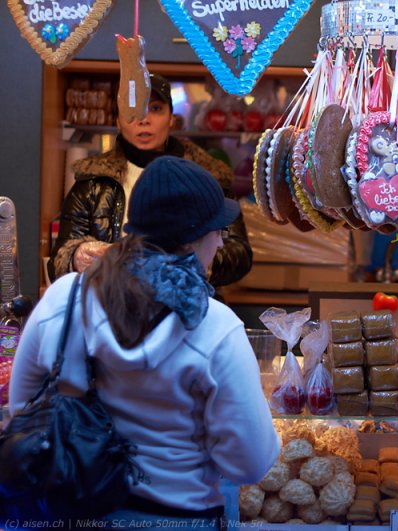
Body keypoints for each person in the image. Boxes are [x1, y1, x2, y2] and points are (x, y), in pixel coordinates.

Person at [11, 156, 279, 530]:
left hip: (67, 512)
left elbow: (23, 406)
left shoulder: (64, 301)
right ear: (190, 238)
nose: (221, 242)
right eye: (216, 230)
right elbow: (250, 463)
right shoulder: (216, 327)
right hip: (180, 518)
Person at [49, 73, 253, 289]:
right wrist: (79, 256)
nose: (143, 119)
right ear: (117, 120)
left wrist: (182, 264)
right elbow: (59, 262)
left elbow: (239, 253)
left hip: (190, 309)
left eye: (155, 109)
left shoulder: (208, 177)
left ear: (171, 118)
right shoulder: (92, 182)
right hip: (110, 306)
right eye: (132, 110)